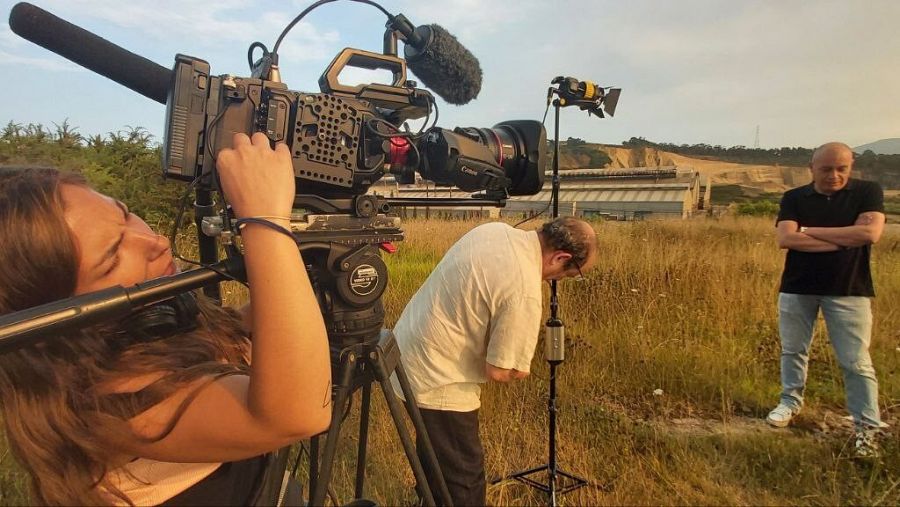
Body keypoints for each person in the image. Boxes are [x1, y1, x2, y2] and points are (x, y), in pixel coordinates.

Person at [0, 132, 331, 505]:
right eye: (112, 257)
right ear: (57, 316)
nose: (153, 241)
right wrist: (265, 223)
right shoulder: (109, 406)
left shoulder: (139, 335)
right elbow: (295, 415)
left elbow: (235, 334)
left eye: (124, 214)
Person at [391, 217, 598, 506]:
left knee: (435, 460)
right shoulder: (524, 290)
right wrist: (518, 367)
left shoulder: (495, 230)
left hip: (405, 350)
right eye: (570, 274)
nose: (560, 281)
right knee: (463, 483)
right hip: (439, 379)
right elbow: (500, 370)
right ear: (561, 257)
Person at [768, 141, 887, 457]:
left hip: (849, 290)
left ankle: (867, 429)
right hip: (797, 287)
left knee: (856, 362)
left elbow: (869, 235)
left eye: (841, 168)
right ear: (812, 169)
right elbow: (785, 239)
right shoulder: (794, 197)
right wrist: (844, 239)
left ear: (850, 167)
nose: (834, 175)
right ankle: (790, 402)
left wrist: (809, 231)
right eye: (826, 169)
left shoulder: (867, 192)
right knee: (793, 350)